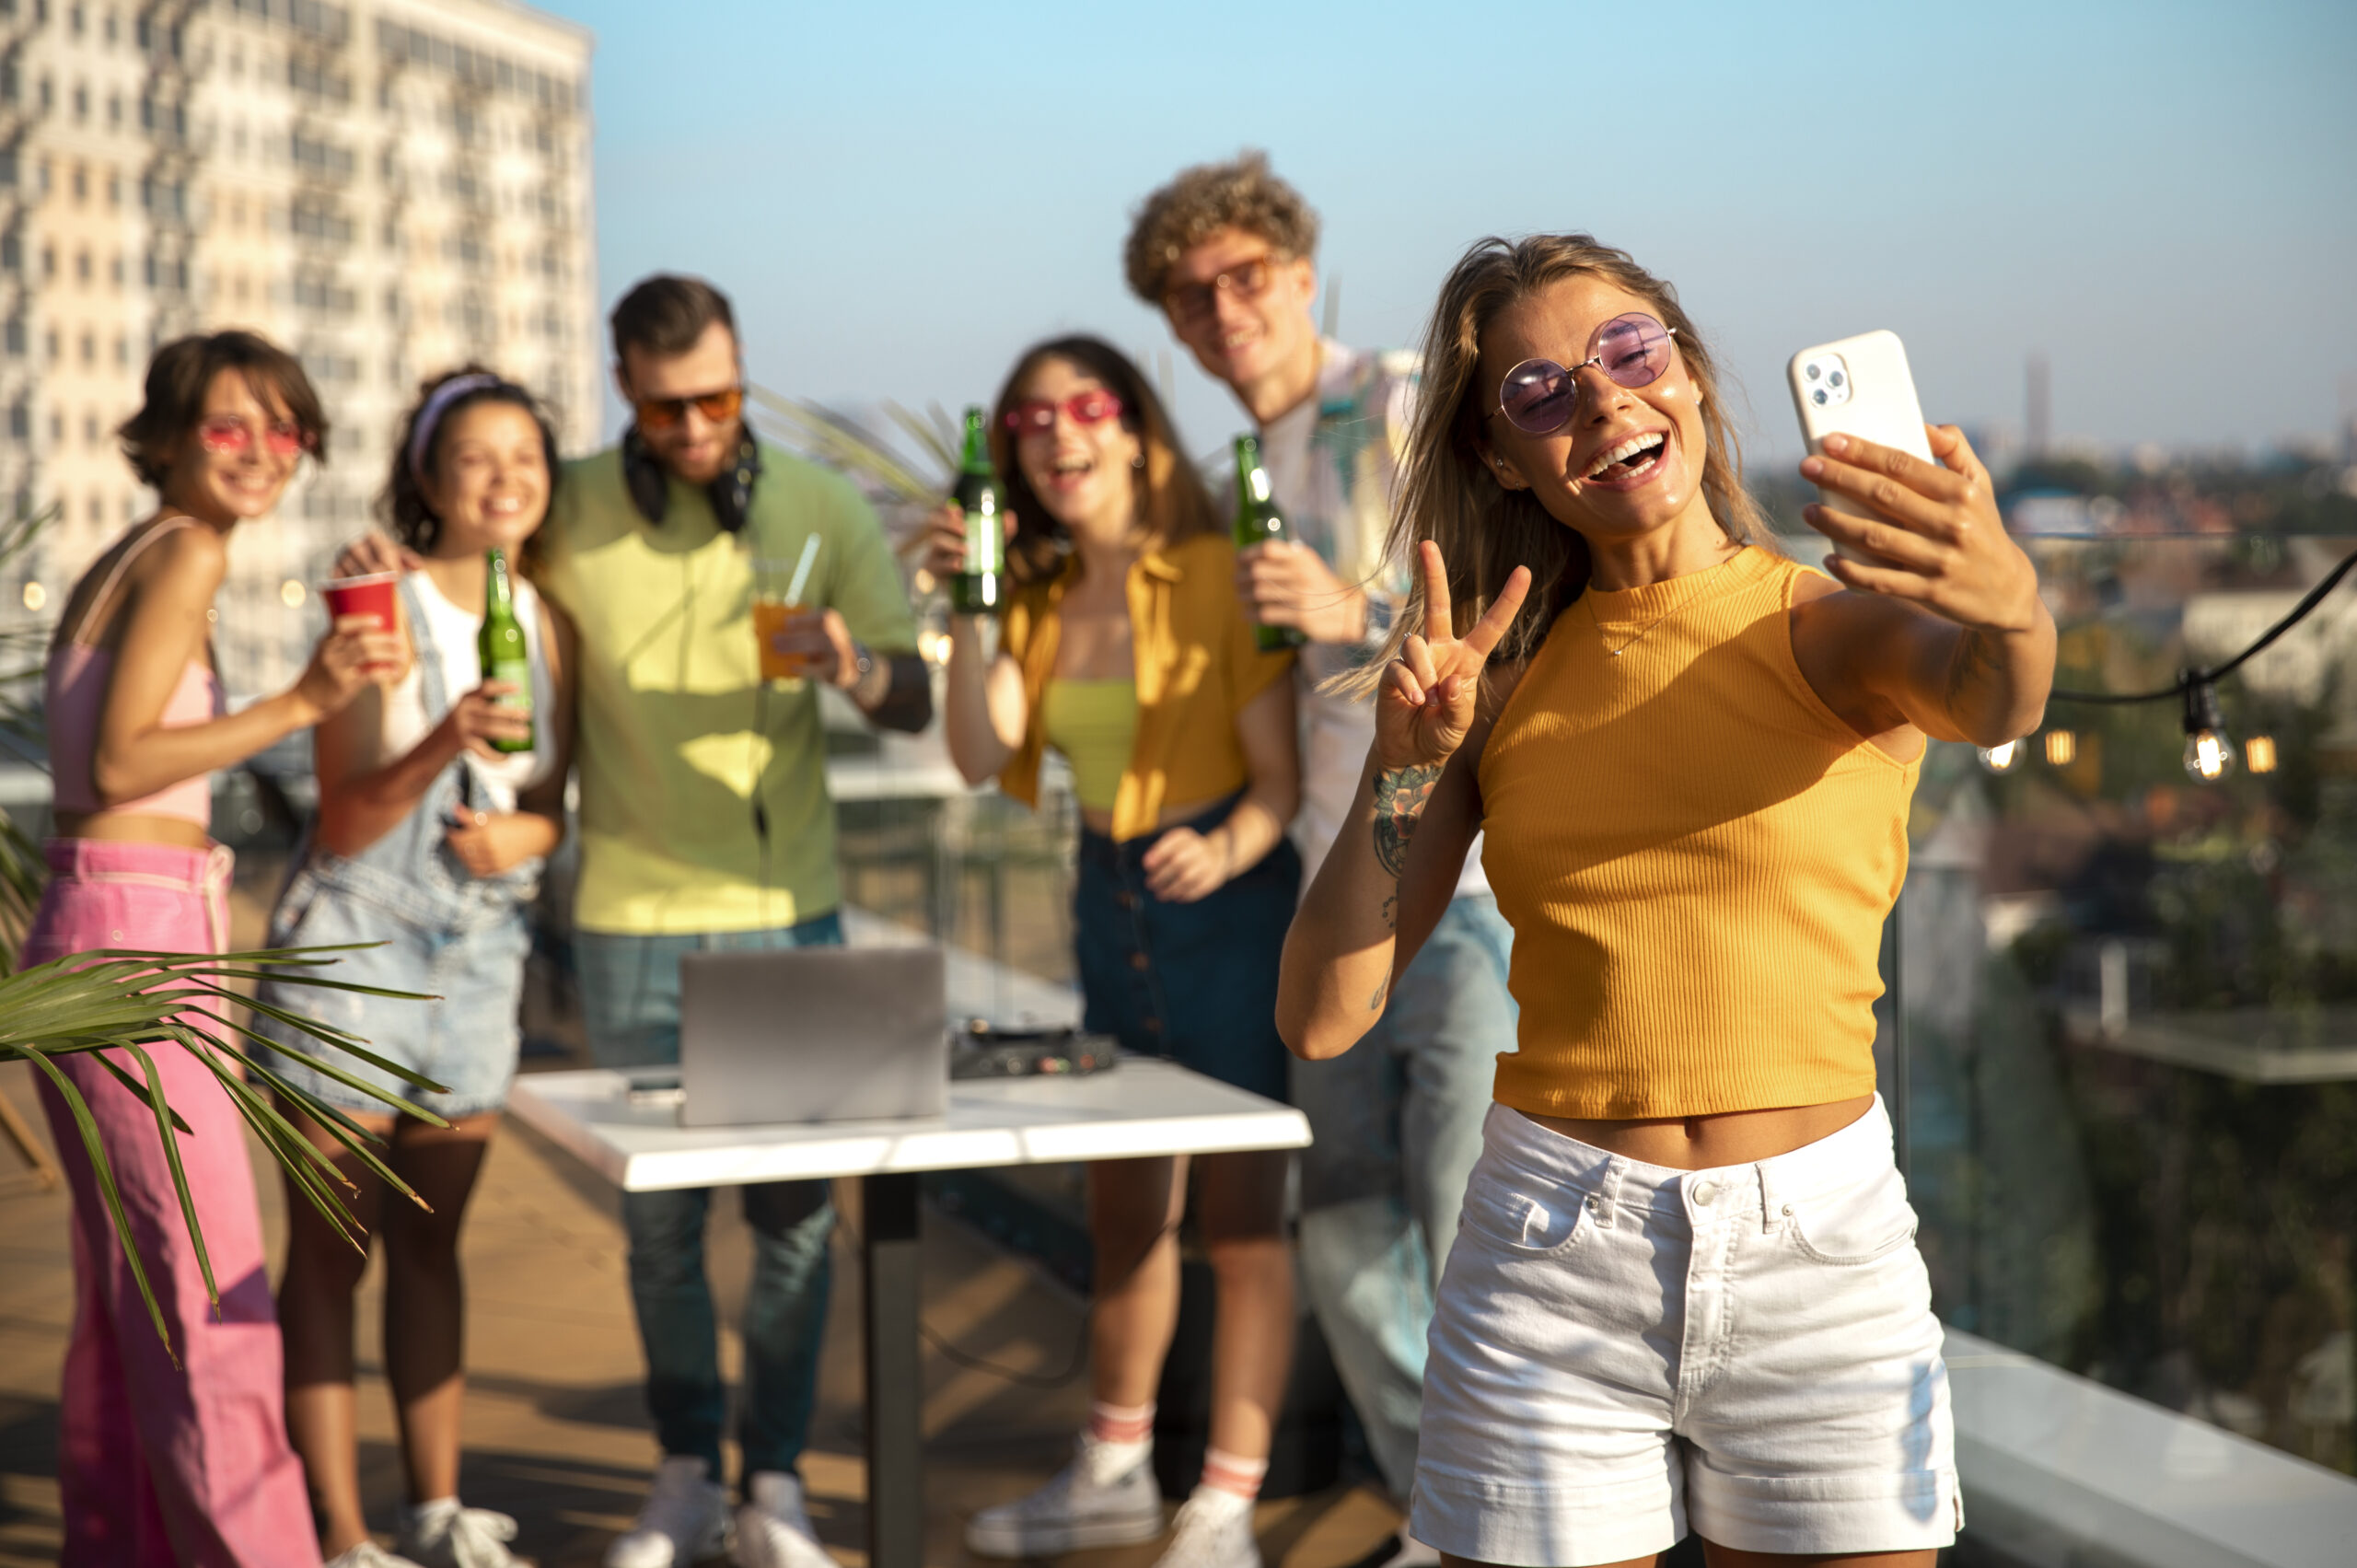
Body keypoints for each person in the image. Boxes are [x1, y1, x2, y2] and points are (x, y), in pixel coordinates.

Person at [1277, 234, 2055, 1566]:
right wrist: (1403, 775)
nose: (1602, 400)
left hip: (1821, 1256)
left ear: (1688, 371)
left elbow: (1996, 694)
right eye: (1538, 393)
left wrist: (2015, 604)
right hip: (1551, 1255)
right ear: (1494, 454)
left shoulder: (1831, 628)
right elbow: (1323, 1015)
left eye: (1631, 351)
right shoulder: (1496, 691)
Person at [343, 274, 931, 1568]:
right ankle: (683, 1470)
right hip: (624, 920)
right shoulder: (577, 507)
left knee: (790, 1226)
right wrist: (385, 566)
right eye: (668, 408)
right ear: (627, 393)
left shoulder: (822, 506)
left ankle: (773, 1484)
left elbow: (910, 706)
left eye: (718, 396)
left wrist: (850, 660)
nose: (698, 424)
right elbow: (469, 567)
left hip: (790, 916)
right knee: (658, 1231)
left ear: (740, 372)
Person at [1127, 152, 1515, 1551]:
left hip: (1468, 885)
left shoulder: (1400, 404)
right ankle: (1443, 1507)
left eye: (1246, 277)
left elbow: (1509, 603)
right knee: (1349, 1234)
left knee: (1472, 1228)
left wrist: (1350, 612)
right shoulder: (1243, 470)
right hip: (1332, 886)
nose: (1223, 309)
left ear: (1302, 273)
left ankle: (1496, 1515)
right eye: (1191, 295)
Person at [927, 337, 1301, 1568]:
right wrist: (969, 606)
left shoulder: (1214, 571)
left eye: (1084, 405)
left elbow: (1278, 785)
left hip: (1226, 907)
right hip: (1106, 902)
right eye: (1028, 416)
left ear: (1136, 429)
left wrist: (1229, 852)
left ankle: (1227, 1505)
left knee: (1243, 1225)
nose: (1054, 430)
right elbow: (982, 758)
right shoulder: (1030, 598)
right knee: (1125, 1212)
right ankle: (1114, 1471)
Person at [24, 331, 396, 1567]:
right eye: (230, 427)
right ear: (175, 434)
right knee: (209, 1301)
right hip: (133, 942)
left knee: (126, 1310)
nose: (261, 454)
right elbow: (123, 763)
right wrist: (300, 704)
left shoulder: (126, 556)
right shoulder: (185, 552)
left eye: (283, 430)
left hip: (84, 932)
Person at [255, 368, 576, 1568]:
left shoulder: (547, 617)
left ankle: (436, 1513)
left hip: (483, 950)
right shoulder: (372, 599)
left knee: (434, 1245)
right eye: (477, 458)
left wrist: (528, 832)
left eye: (526, 458)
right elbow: (340, 819)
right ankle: (337, 1534)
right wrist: (446, 735)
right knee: (333, 1254)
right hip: (354, 943)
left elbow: (551, 797)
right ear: (431, 477)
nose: (505, 480)